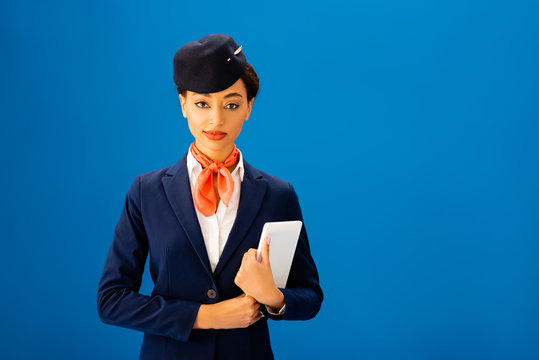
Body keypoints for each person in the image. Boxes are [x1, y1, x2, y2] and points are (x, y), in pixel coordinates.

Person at [97, 33, 323, 360]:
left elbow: (310, 296)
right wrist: (207, 316)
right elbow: (111, 301)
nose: (216, 120)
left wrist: (273, 297)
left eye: (231, 104)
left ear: (249, 107)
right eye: (202, 103)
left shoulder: (279, 195)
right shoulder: (146, 192)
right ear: (183, 105)